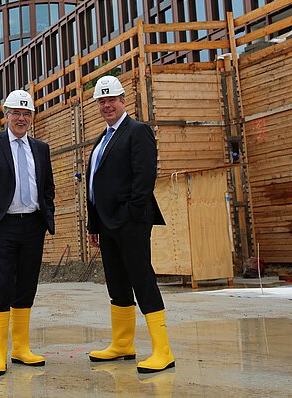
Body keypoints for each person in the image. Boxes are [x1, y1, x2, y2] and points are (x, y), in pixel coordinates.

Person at [85, 75, 175, 374]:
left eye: (111, 99)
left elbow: (144, 176)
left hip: (130, 222)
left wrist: (133, 216)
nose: (107, 105)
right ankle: (123, 344)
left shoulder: (137, 132)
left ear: (123, 100)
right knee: (117, 283)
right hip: (108, 224)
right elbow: (95, 183)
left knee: (141, 279)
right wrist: (94, 223)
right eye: (102, 101)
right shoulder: (103, 138)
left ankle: (162, 351)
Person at [0, 89, 55, 376]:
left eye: (26, 113)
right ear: (5, 116)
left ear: (32, 117)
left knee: (27, 285)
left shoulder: (41, 148)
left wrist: (46, 217)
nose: (21, 118)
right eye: (16, 113)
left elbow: (47, 188)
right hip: (2, 225)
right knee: (2, 285)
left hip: (32, 225)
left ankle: (21, 349)